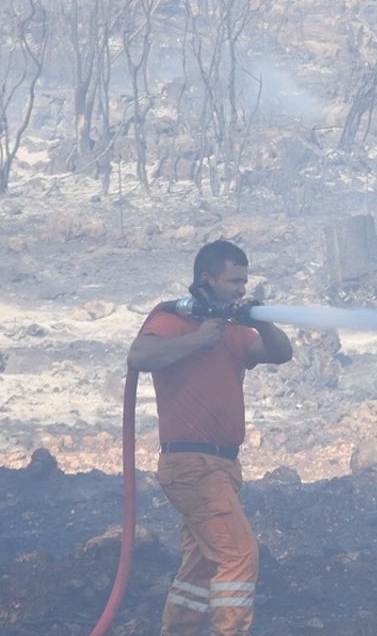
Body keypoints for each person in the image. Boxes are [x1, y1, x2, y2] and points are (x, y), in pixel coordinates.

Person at [127, 240, 293, 636]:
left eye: (244, 282)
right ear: (207, 279)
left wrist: (262, 319)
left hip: (221, 466)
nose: (240, 288)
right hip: (191, 465)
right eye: (234, 281)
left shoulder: (233, 331)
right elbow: (138, 357)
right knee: (239, 555)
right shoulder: (173, 319)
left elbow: (281, 353)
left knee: (202, 564)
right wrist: (198, 339)